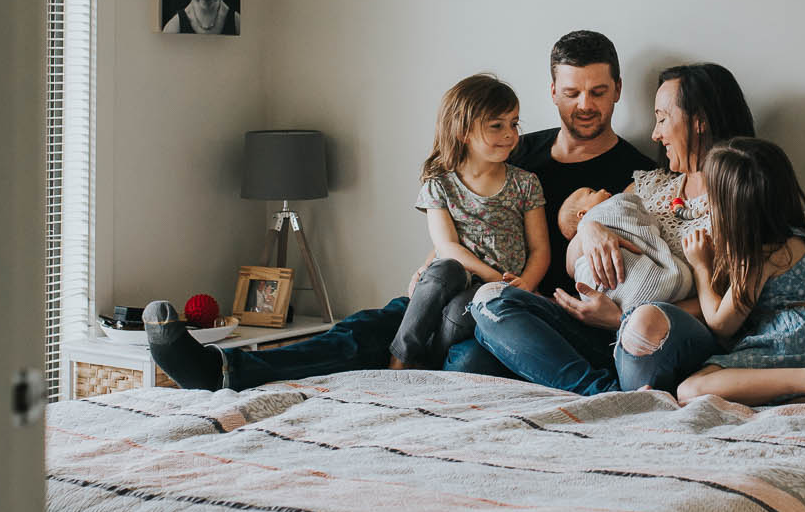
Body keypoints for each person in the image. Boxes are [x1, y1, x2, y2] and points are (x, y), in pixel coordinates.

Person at [144, 29, 649, 390]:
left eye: (599, 92)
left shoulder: (636, 174)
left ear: (618, 92)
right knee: (373, 324)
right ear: (553, 93)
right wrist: (438, 264)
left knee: (465, 360)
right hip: (467, 289)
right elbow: (469, 215)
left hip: (540, 315)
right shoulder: (516, 151)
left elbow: (648, 270)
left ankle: (408, 375)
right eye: (571, 92)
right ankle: (225, 371)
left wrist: (600, 233)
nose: (585, 104)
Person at [469, 62, 766, 394]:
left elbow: (730, 302)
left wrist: (620, 317)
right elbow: (575, 254)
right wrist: (590, 228)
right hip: (597, 327)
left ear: (700, 122)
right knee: (490, 301)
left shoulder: (740, 199)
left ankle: (617, 386)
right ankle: (601, 393)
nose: (655, 133)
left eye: (663, 118)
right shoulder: (650, 185)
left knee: (644, 323)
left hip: (665, 333)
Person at [670, 137, 805, 406]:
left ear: (734, 210)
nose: (707, 205)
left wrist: (701, 267)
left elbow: (722, 324)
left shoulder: (761, 256)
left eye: (714, 198)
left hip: (791, 341)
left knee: (690, 390)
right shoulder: (796, 236)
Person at [388, 74, 548, 368]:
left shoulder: (525, 183)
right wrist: (489, 274)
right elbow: (447, 246)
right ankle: (399, 359)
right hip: (459, 276)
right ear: (464, 131)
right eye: (496, 126)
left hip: (498, 290)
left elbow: (540, 249)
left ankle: (429, 364)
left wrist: (525, 285)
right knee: (443, 270)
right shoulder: (440, 186)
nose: (510, 134)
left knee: (466, 306)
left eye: (513, 123)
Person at [557, 186, 691, 312]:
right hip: (631, 305)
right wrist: (588, 226)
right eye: (591, 192)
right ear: (583, 214)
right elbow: (574, 268)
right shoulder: (606, 212)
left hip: (635, 312)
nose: (602, 189)